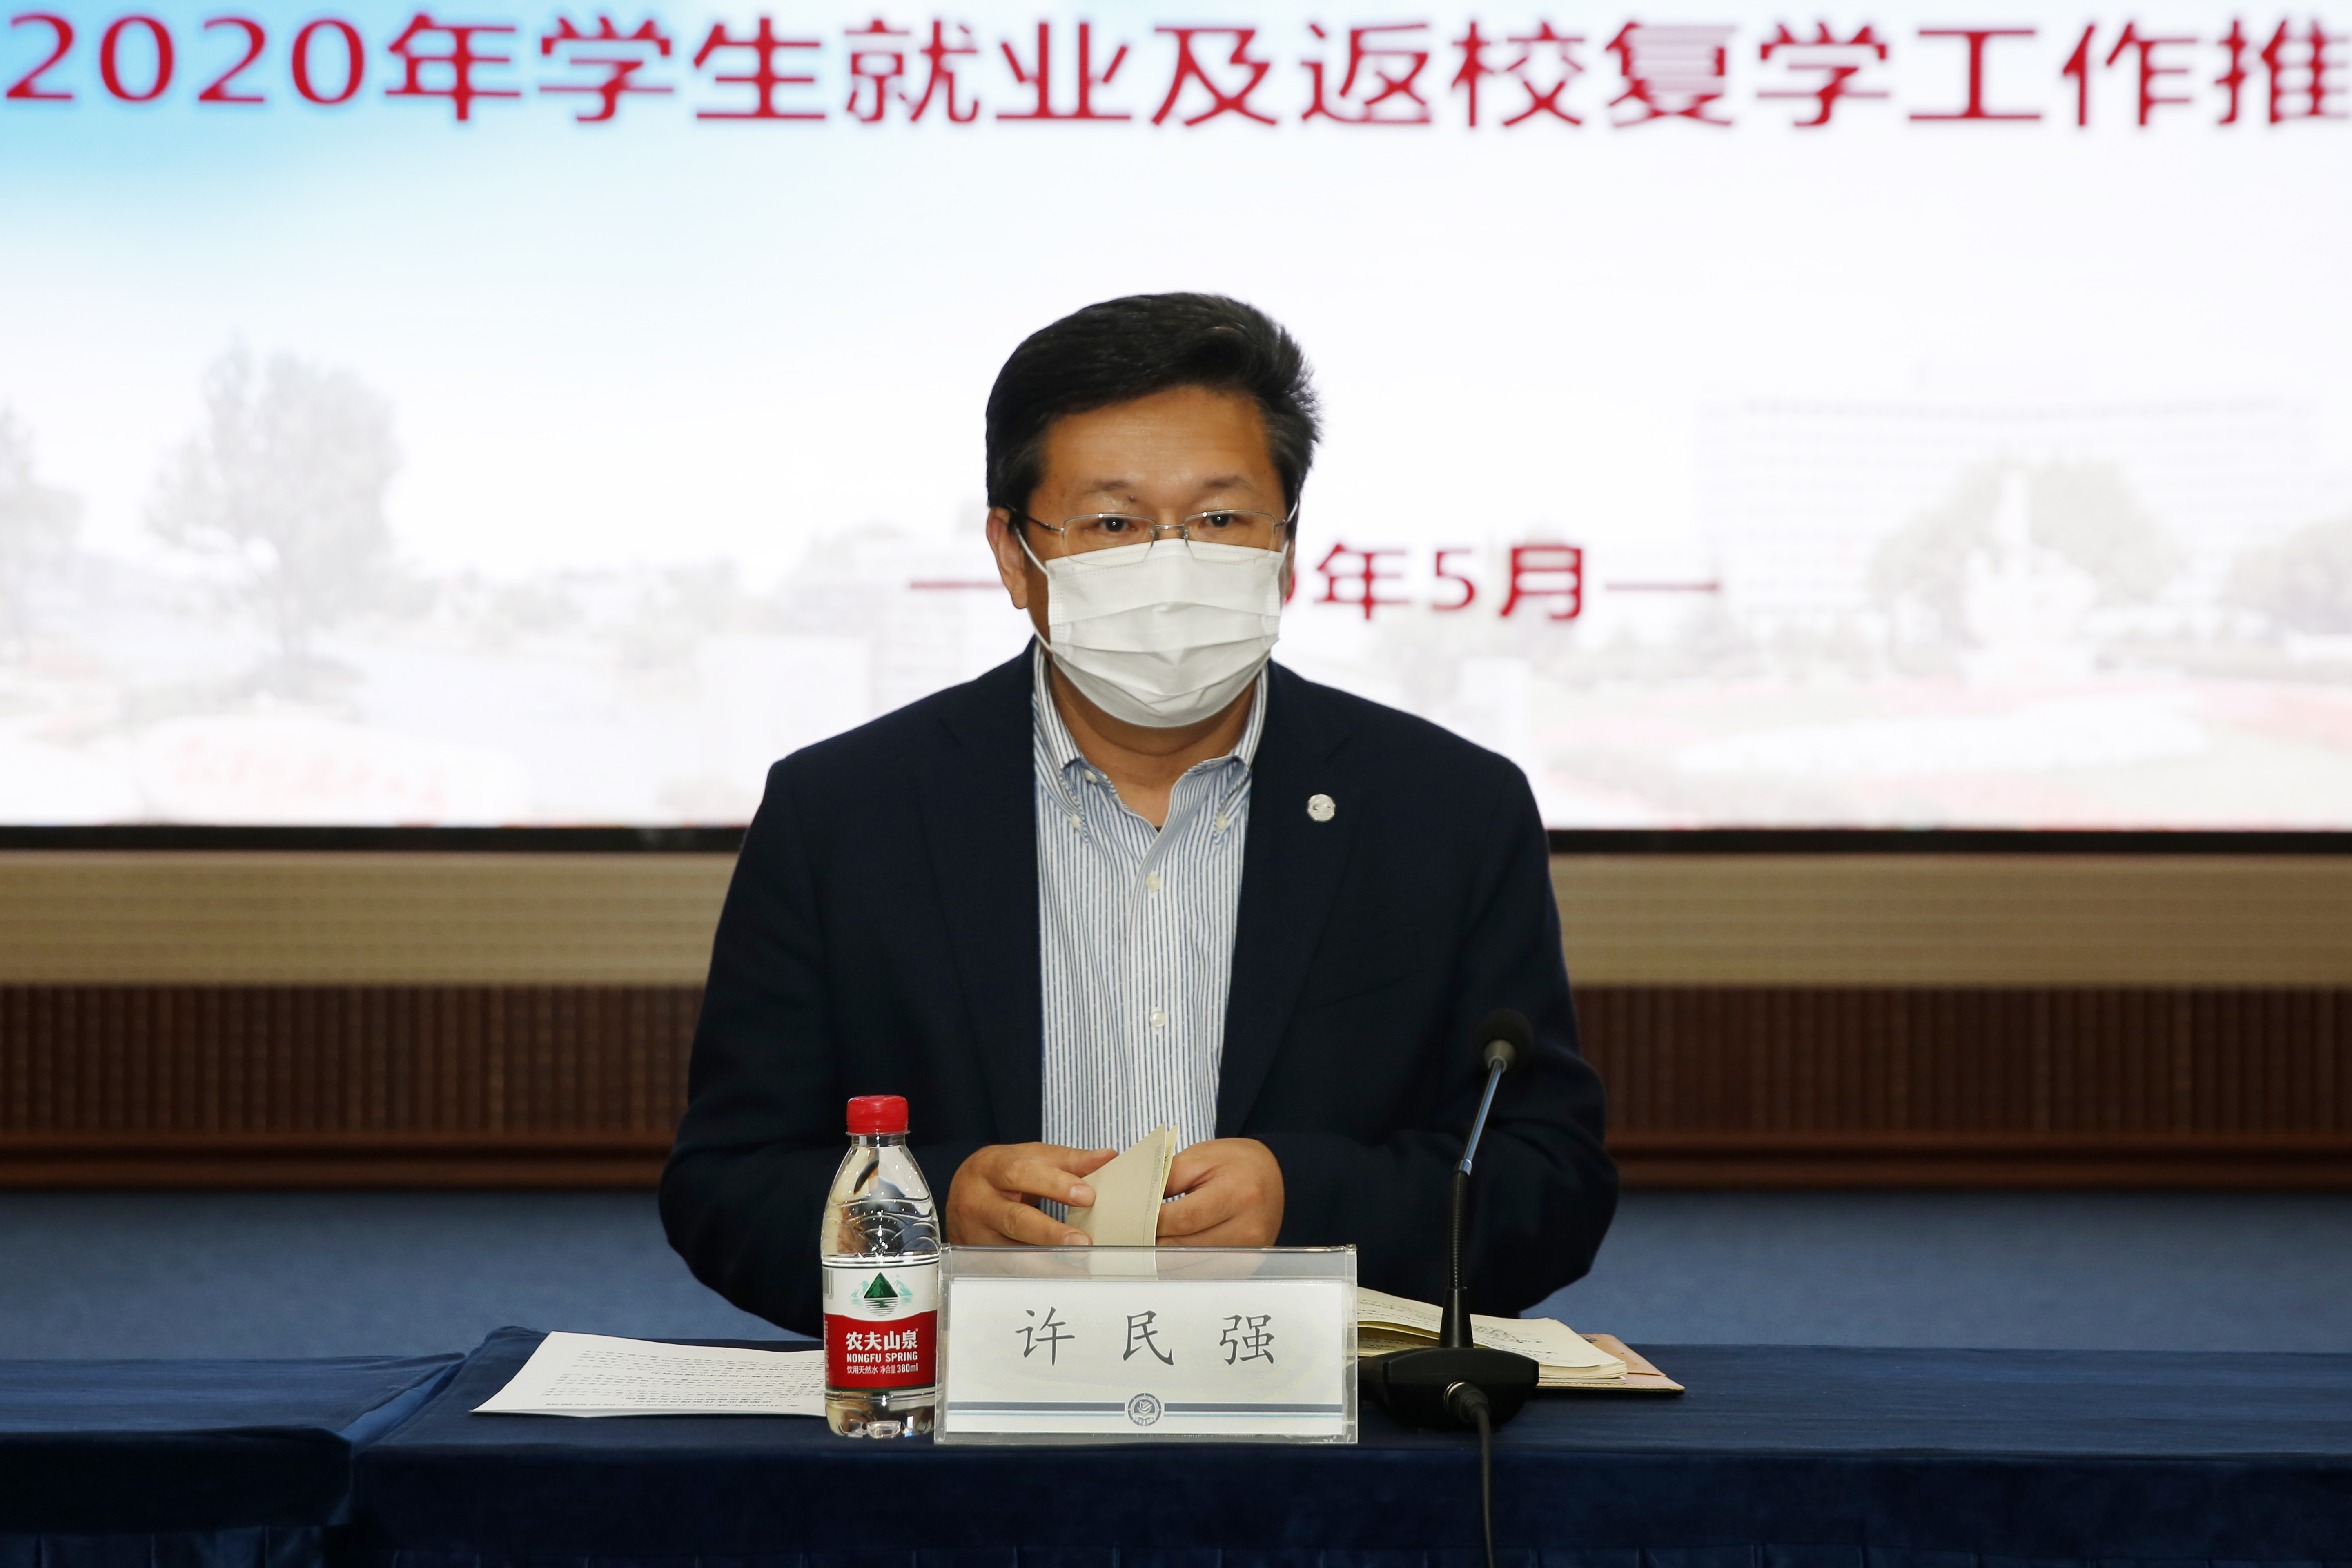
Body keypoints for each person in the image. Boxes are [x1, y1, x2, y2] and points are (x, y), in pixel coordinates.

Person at [662, 293, 1615, 1335]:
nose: (1171, 565)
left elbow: (1550, 1181)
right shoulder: (846, 814)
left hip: (1328, 1406)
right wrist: (931, 1215)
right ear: (1015, 555)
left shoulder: (1447, 812)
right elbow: (725, 1185)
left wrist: (1304, 1203)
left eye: (1220, 520)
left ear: (1288, 549)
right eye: (1113, 524)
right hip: (968, 1408)